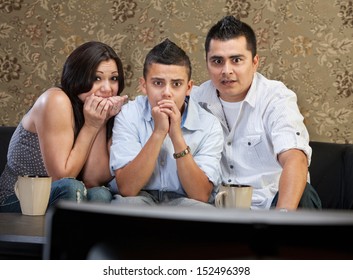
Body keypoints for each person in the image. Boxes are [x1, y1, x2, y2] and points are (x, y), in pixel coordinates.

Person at [191, 15, 322, 211]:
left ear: (254, 62)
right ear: (207, 63)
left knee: (305, 193)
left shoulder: (276, 97)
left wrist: (280, 219)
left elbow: (295, 159)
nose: (226, 70)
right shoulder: (195, 99)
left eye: (236, 60)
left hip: (276, 206)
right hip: (219, 210)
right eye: (217, 61)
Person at [0, 41, 128, 213]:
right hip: (17, 199)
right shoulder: (56, 100)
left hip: (65, 197)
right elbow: (62, 177)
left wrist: (101, 121)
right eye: (96, 78)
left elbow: (92, 180)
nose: (107, 88)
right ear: (77, 77)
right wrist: (91, 126)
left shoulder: (97, 113)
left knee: (100, 195)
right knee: (70, 187)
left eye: (113, 78)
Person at [109, 38, 223, 207]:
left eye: (176, 84)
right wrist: (158, 133)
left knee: (203, 213)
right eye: (158, 83)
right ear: (144, 85)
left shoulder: (209, 125)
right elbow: (127, 188)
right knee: (126, 205)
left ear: (189, 88)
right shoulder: (129, 114)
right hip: (140, 197)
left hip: (185, 201)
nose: (167, 93)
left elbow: (200, 195)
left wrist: (176, 135)